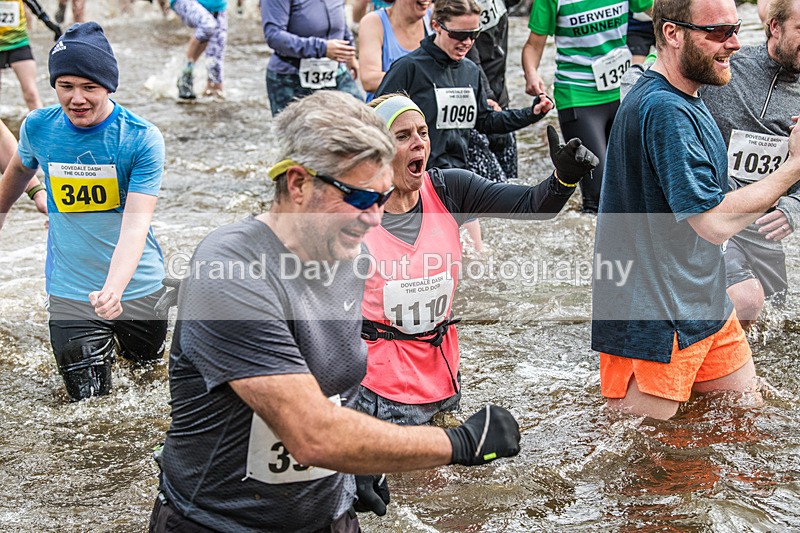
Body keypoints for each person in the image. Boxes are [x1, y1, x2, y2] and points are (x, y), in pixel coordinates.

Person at [149, 91, 522, 532]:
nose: (375, 219)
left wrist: (357, 466)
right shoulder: (231, 272)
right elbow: (310, 434)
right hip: (220, 522)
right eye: (360, 198)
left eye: (382, 199)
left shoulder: (351, 259)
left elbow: (335, 392)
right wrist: (458, 442)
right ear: (298, 184)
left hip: (329, 516)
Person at [591, 0, 800, 420]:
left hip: (704, 303)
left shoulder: (689, 95)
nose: (737, 45)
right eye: (721, 33)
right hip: (653, 318)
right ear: (672, 34)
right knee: (651, 460)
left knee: (745, 428)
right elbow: (713, 222)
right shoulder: (665, 109)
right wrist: (795, 166)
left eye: (737, 29)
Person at [354, 94, 598, 425]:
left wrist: (563, 179)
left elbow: (532, 205)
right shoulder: (351, 214)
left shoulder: (449, 188)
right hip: (378, 388)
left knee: (443, 476)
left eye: (423, 133)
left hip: (441, 376)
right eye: (403, 136)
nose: (419, 144)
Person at [0, 22, 168, 402]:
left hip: (139, 289)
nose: (77, 98)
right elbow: (16, 174)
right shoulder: (39, 127)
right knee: (88, 407)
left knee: (145, 388)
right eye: (66, 86)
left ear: (109, 86)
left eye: (89, 87)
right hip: (71, 291)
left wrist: (115, 287)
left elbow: (136, 223)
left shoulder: (140, 138)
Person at [701, 0, 800, 329]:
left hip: (763, 231)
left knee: (776, 328)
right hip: (712, 217)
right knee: (745, 300)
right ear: (775, 27)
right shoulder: (727, 66)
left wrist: (795, 205)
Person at [522, 0, 653, 213]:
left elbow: (663, 15)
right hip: (578, 97)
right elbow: (533, 45)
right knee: (599, 194)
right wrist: (532, 74)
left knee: (635, 184)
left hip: (623, 91)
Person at [261, 0, 361, 116]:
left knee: (361, 120)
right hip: (290, 77)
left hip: (335, 71)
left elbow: (341, 23)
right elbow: (274, 36)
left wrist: (350, 53)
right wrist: (322, 48)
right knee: (298, 131)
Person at [358, 0, 431, 100]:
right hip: (385, 112)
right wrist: (423, 82)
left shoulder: (435, 20)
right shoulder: (374, 21)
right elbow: (369, 80)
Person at [0, 0, 61, 111]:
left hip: (18, 43)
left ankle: (41, 126)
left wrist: (49, 24)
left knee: (31, 94)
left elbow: (33, 4)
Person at [173, 0, 227, 100]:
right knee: (207, 25)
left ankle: (208, 104)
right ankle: (185, 74)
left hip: (217, 7)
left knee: (216, 80)